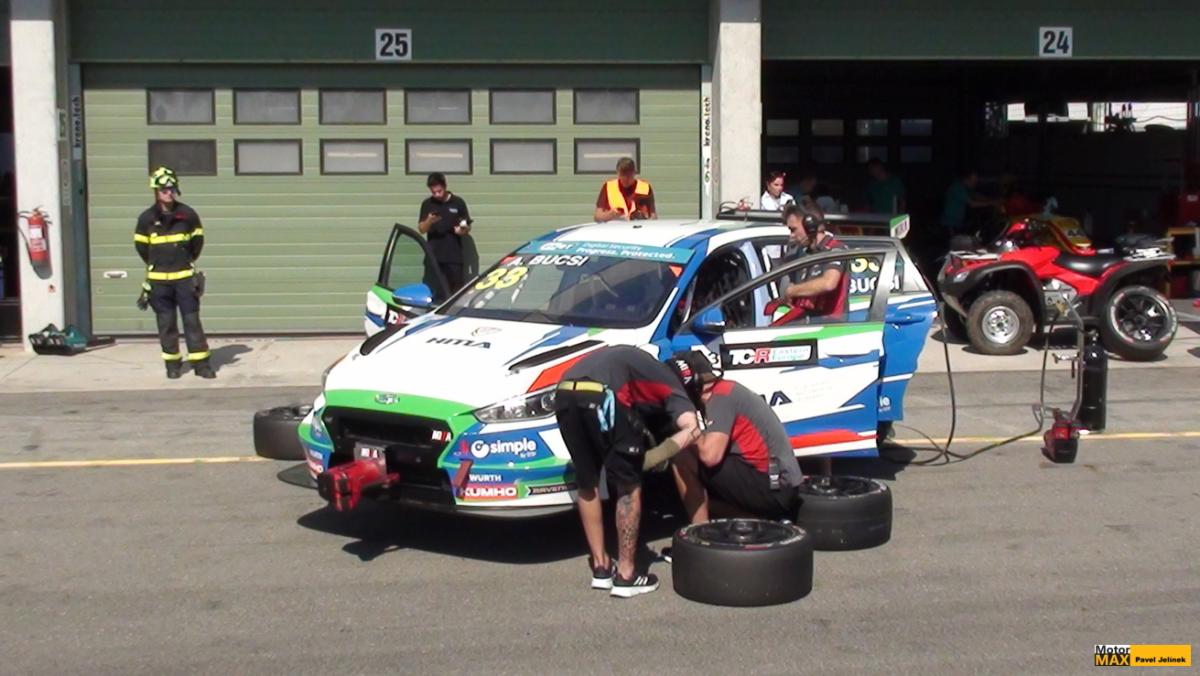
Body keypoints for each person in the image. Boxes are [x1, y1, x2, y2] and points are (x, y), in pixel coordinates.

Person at [553, 346, 703, 598]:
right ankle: (626, 575)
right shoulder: (675, 388)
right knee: (628, 487)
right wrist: (654, 457)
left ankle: (601, 567)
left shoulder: (644, 364)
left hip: (565, 391)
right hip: (604, 395)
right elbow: (692, 429)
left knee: (587, 481)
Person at [670, 361, 803, 523]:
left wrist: (688, 428)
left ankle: (699, 531)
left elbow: (710, 457)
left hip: (775, 488)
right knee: (699, 499)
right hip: (780, 485)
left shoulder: (721, 398)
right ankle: (761, 520)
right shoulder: (728, 390)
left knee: (683, 456)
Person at [135, 167, 214, 379]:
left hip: (184, 280)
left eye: (171, 189)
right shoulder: (146, 219)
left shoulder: (187, 215)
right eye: (164, 190)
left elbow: (197, 244)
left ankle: (201, 365)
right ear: (156, 191)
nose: (168, 193)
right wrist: (158, 264)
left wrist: (184, 262)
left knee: (192, 322)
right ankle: (172, 365)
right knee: (166, 324)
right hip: (159, 282)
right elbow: (142, 249)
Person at [766, 204, 850, 324]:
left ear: (810, 226)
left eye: (793, 229)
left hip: (830, 326)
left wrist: (792, 291)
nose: (792, 235)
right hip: (806, 323)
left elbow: (829, 283)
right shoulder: (803, 253)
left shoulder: (836, 249)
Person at [418, 172, 472, 294]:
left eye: (439, 191)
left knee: (456, 293)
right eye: (433, 192)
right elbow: (421, 229)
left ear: (445, 186)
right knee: (435, 293)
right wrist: (429, 221)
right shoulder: (427, 204)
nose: (437, 195)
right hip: (434, 258)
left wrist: (461, 231)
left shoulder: (458, 202)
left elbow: (467, 226)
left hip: (454, 257)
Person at [940, 169, 1000, 237]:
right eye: (973, 181)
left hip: (957, 222)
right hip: (950, 223)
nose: (975, 183)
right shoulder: (958, 188)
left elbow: (976, 195)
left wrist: (992, 200)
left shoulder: (964, 186)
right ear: (966, 179)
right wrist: (992, 203)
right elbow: (972, 204)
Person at [594, 157, 656, 222]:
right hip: (616, 227)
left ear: (634, 173)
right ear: (618, 173)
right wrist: (610, 215)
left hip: (639, 226)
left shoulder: (645, 188)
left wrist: (644, 218)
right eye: (622, 175)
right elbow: (597, 217)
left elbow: (653, 216)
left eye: (628, 175)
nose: (625, 179)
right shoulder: (609, 187)